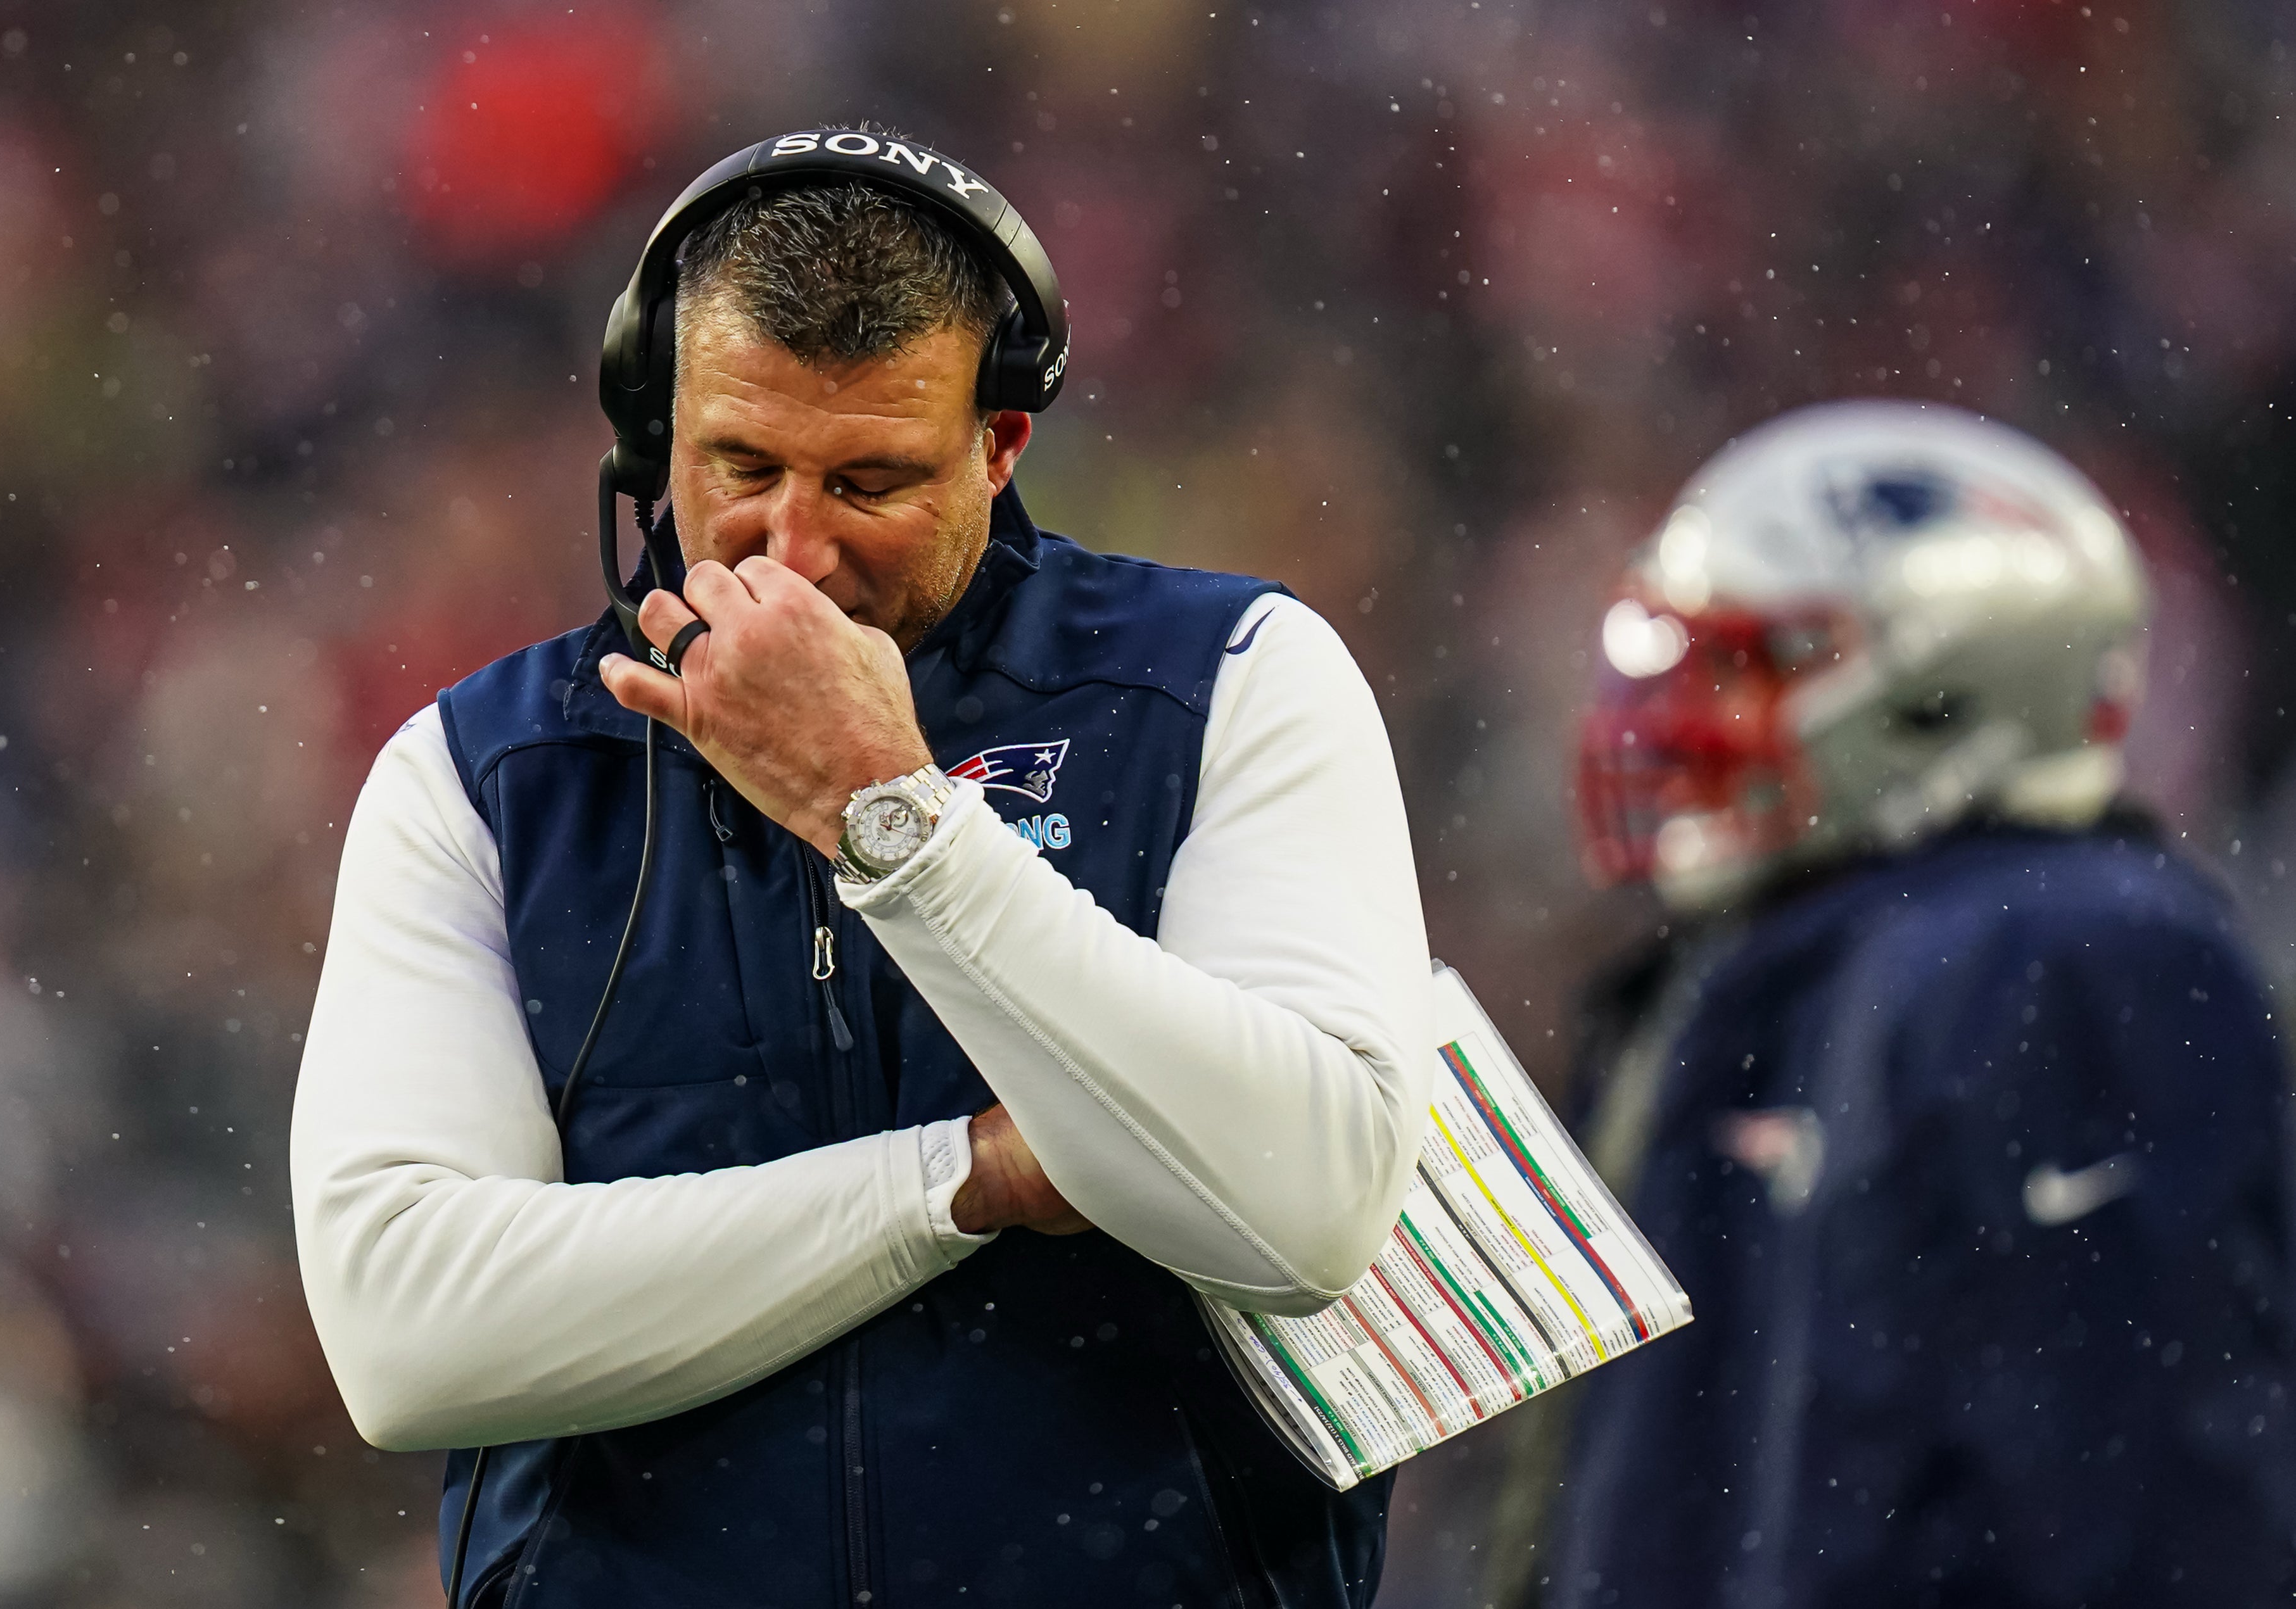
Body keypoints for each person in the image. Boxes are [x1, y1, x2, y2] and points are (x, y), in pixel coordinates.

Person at [288, 130, 1434, 1608]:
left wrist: (891, 815)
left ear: (1001, 444)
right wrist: (956, 1181)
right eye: (742, 466)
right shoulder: (478, 774)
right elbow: (406, 1335)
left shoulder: (1235, 678)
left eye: (872, 479)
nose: (798, 547)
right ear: (654, 432)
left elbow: (1306, 1210)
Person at [1517, 400, 2296, 1606]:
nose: (1683, 717)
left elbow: (2139, 1502)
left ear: (1943, 685)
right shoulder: (1757, 964)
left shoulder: (2063, 952)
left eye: (1746, 664)